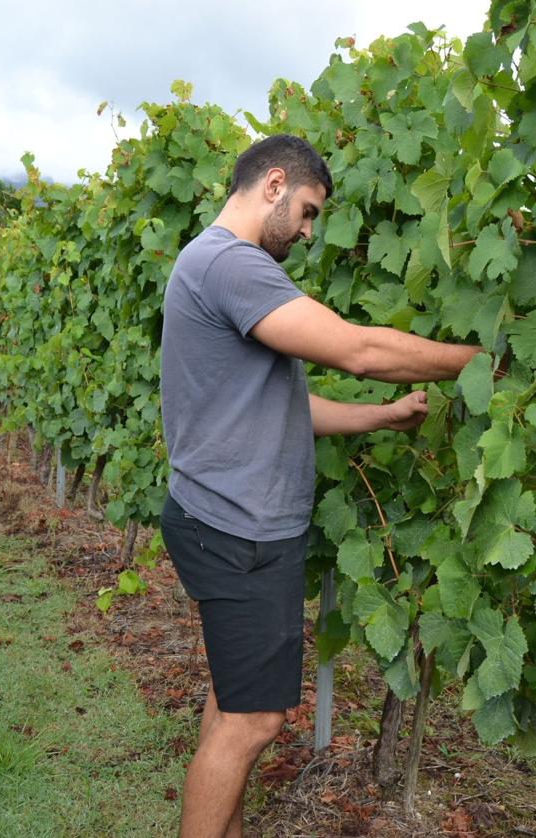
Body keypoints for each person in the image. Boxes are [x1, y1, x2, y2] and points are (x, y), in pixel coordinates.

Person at [159, 133, 481, 838]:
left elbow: (277, 407)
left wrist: (383, 417)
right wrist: (480, 361)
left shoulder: (205, 264)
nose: (308, 231)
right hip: (240, 533)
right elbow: (358, 349)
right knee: (252, 721)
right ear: (273, 184)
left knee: (231, 701)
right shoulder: (232, 265)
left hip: (218, 520)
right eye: (306, 211)